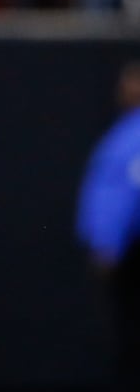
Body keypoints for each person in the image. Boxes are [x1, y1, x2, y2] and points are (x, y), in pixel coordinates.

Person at [75, 61, 140, 392]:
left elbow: (129, 192)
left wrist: (109, 243)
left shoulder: (134, 135)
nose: (125, 87)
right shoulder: (125, 131)